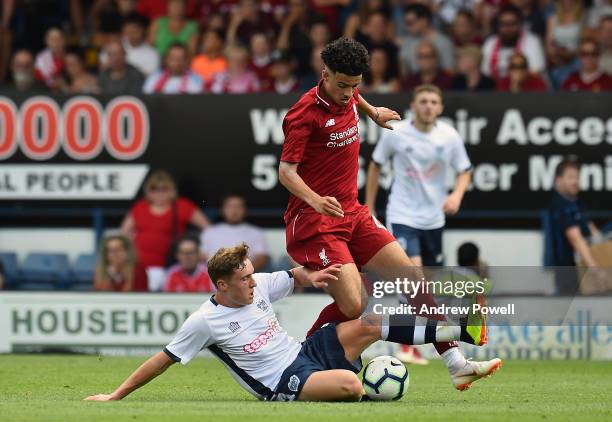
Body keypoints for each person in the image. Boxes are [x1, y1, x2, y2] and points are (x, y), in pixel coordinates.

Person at [278, 38, 499, 390]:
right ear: (325, 75)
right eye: (342, 85)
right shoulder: (304, 114)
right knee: (355, 305)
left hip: (353, 213)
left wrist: (372, 111)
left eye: (356, 85)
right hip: (316, 222)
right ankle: (304, 353)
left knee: (413, 281)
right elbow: (286, 172)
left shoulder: (349, 95)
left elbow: (353, 97)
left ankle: (457, 365)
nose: (349, 93)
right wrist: (316, 199)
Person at [84, 243, 498, 402]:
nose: (252, 282)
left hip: (305, 352)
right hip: (283, 382)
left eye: (251, 274)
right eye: (244, 278)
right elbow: (163, 359)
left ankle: (463, 332)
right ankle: (368, 385)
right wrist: (117, 394)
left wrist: (311, 276)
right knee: (353, 386)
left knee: (370, 322)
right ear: (223, 284)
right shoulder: (203, 321)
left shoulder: (257, 284)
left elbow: (292, 275)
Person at [365, 84, 472, 364]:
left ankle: (418, 337)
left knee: (426, 281)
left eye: (433, 101)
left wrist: (457, 195)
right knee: (413, 276)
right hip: (402, 215)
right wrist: (370, 207)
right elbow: (375, 165)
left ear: (440, 107)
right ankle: (406, 345)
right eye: (423, 100)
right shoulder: (396, 133)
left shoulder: (448, 136)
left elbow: (465, 170)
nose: (428, 106)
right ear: (413, 105)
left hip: (433, 219)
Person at [120, 170, 210, 289]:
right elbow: (124, 234)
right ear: (148, 191)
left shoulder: (182, 206)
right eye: (154, 189)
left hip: (169, 268)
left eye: (164, 189)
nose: (159, 193)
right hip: (141, 267)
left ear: (172, 191)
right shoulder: (140, 207)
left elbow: (208, 229)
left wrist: (202, 250)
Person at [547, 158, 604, 294]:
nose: (575, 182)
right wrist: (595, 270)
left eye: (577, 177)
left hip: (584, 271)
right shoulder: (560, 205)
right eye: (571, 177)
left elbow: (594, 233)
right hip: (568, 273)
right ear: (558, 180)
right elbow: (576, 239)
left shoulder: (577, 205)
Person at [200, 194, 270, 272]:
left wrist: (241, 273)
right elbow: (202, 258)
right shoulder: (209, 232)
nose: (234, 210)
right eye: (230, 206)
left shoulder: (256, 232)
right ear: (222, 209)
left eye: (238, 206)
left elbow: (262, 258)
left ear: (245, 210)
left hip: (246, 278)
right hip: (214, 278)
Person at [481, 5, 546, 79]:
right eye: (504, 24)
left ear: (520, 25)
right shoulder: (490, 42)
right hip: (496, 88)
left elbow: (536, 71)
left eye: (513, 23)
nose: (508, 28)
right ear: (498, 26)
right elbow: (485, 72)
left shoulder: (532, 41)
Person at [398, 4, 455, 75]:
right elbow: (403, 71)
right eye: (406, 23)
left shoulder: (444, 43)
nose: (407, 27)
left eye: (410, 23)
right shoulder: (407, 43)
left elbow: (449, 72)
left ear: (424, 21)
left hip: (439, 84)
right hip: (412, 84)